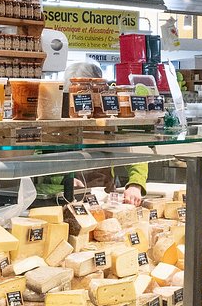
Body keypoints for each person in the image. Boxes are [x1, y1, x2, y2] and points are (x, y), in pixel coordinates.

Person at [38, 61, 148, 205]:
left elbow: (135, 153)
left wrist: (135, 184)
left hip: (104, 198)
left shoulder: (111, 116)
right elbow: (39, 158)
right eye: (72, 93)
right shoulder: (55, 116)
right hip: (62, 199)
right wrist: (65, 179)